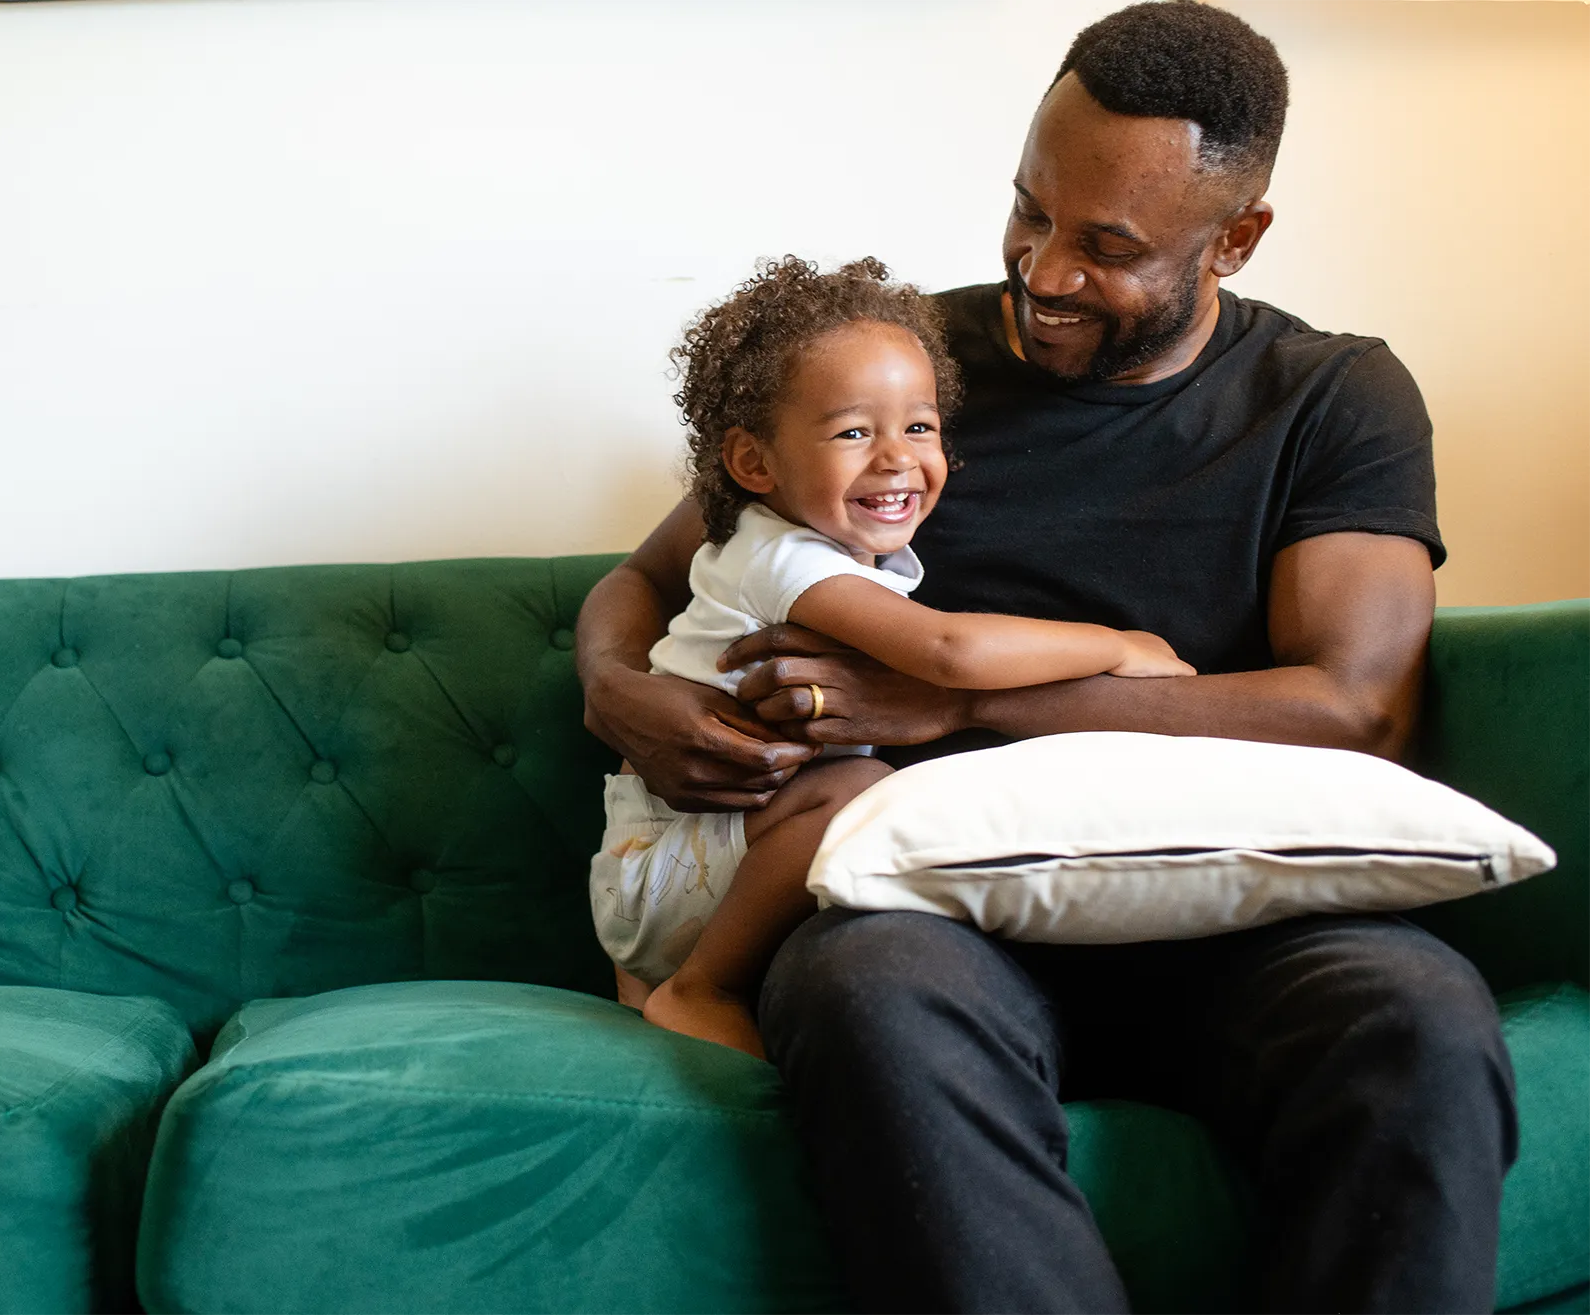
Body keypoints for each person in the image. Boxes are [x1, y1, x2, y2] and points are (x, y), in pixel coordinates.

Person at [573, 4, 1517, 1314]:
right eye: (1029, 211)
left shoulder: (1330, 395)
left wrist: (964, 697)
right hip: (932, 912)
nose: (1045, 268)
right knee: (868, 994)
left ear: (1234, 237)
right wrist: (616, 691)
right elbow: (644, 576)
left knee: (1420, 1017)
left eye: (1109, 246)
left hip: (1237, 910)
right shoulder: (904, 370)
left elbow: (1352, 708)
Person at [593, 256, 1193, 1059]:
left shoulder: (826, 549)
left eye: (920, 426)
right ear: (754, 464)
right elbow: (948, 650)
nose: (897, 457)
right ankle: (702, 986)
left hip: (689, 863)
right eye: (853, 432)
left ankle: (656, 981)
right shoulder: (784, 558)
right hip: (670, 873)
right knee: (862, 790)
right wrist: (1117, 645)